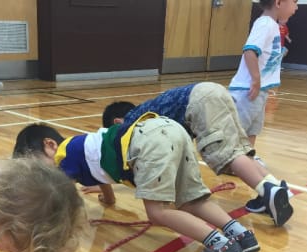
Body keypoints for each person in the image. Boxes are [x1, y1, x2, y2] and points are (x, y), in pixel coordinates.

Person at [13, 118, 261, 252]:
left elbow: (63, 200)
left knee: (158, 212)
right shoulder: (83, 149)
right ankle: (240, 234)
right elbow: (104, 176)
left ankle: (221, 246)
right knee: (191, 200)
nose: (42, 176)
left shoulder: (63, 157)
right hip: (171, 131)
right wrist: (107, 199)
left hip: (146, 141)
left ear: (50, 145)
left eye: (38, 167)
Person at [102, 81, 294, 225]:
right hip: (214, 91)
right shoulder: (149, 108)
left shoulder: (131, 124)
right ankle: (272, 186)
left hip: (199, 101)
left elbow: (140, 161)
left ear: (117, 122)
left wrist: (106, 180)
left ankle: (268, 191)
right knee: (238, 149)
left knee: (226, 155)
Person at [228, 0, 298, 149]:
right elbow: (250, 51)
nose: (296, 7)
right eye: (294, 2)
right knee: (239, 129)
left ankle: (249, 155)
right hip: (248, 90)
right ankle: (232, 159)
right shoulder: (265, 24)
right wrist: (255, 79)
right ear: (278, 2)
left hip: (260, 90)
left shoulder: (272, 25)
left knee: (253, 128)